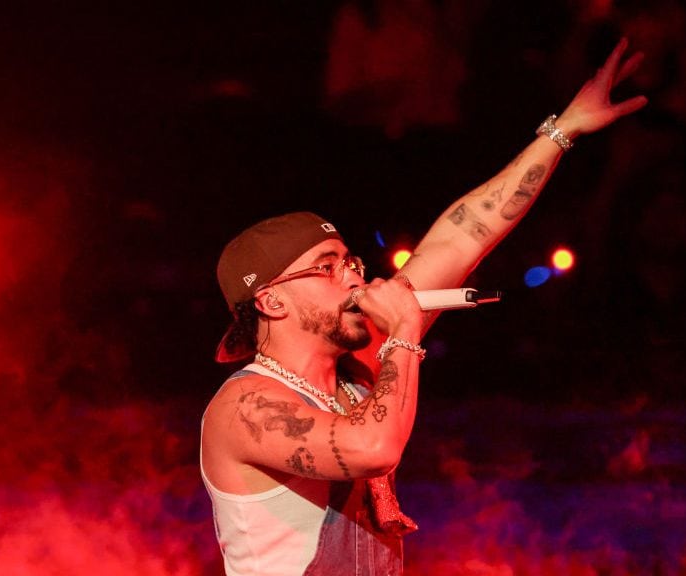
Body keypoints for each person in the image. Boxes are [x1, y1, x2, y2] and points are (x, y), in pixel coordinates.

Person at [200, 38, 648, 575]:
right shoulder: (244, 407)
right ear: (271, 300)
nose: (354, 275)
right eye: (327, 266)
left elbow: (463, 236)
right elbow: (371, 447)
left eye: (352, 261)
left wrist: (562, 130)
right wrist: (404, 333)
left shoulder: (354, 373)